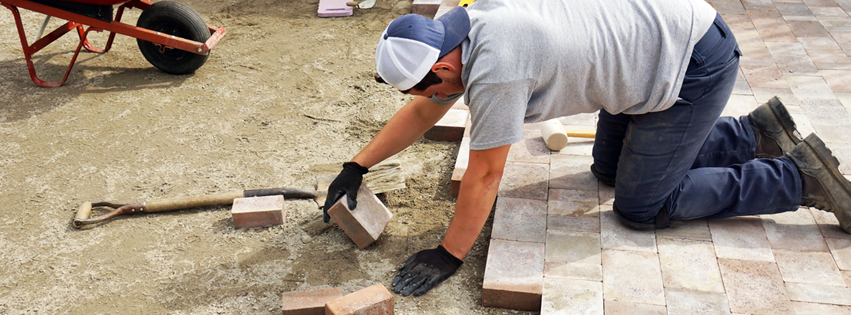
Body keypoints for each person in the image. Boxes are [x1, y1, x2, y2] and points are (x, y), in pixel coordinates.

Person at [323, 0, 851, 297]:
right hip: (650, 49)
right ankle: (754, 135)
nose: (430, 100)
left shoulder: (497, 71)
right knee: (608, 169)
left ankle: (797, 176)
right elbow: (424, 109)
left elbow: (485, 175)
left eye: (427, 88)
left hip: (691, 60)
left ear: (441, 65)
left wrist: (449, 253)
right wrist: (356, 165)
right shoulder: (468, 22)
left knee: (643, 206)